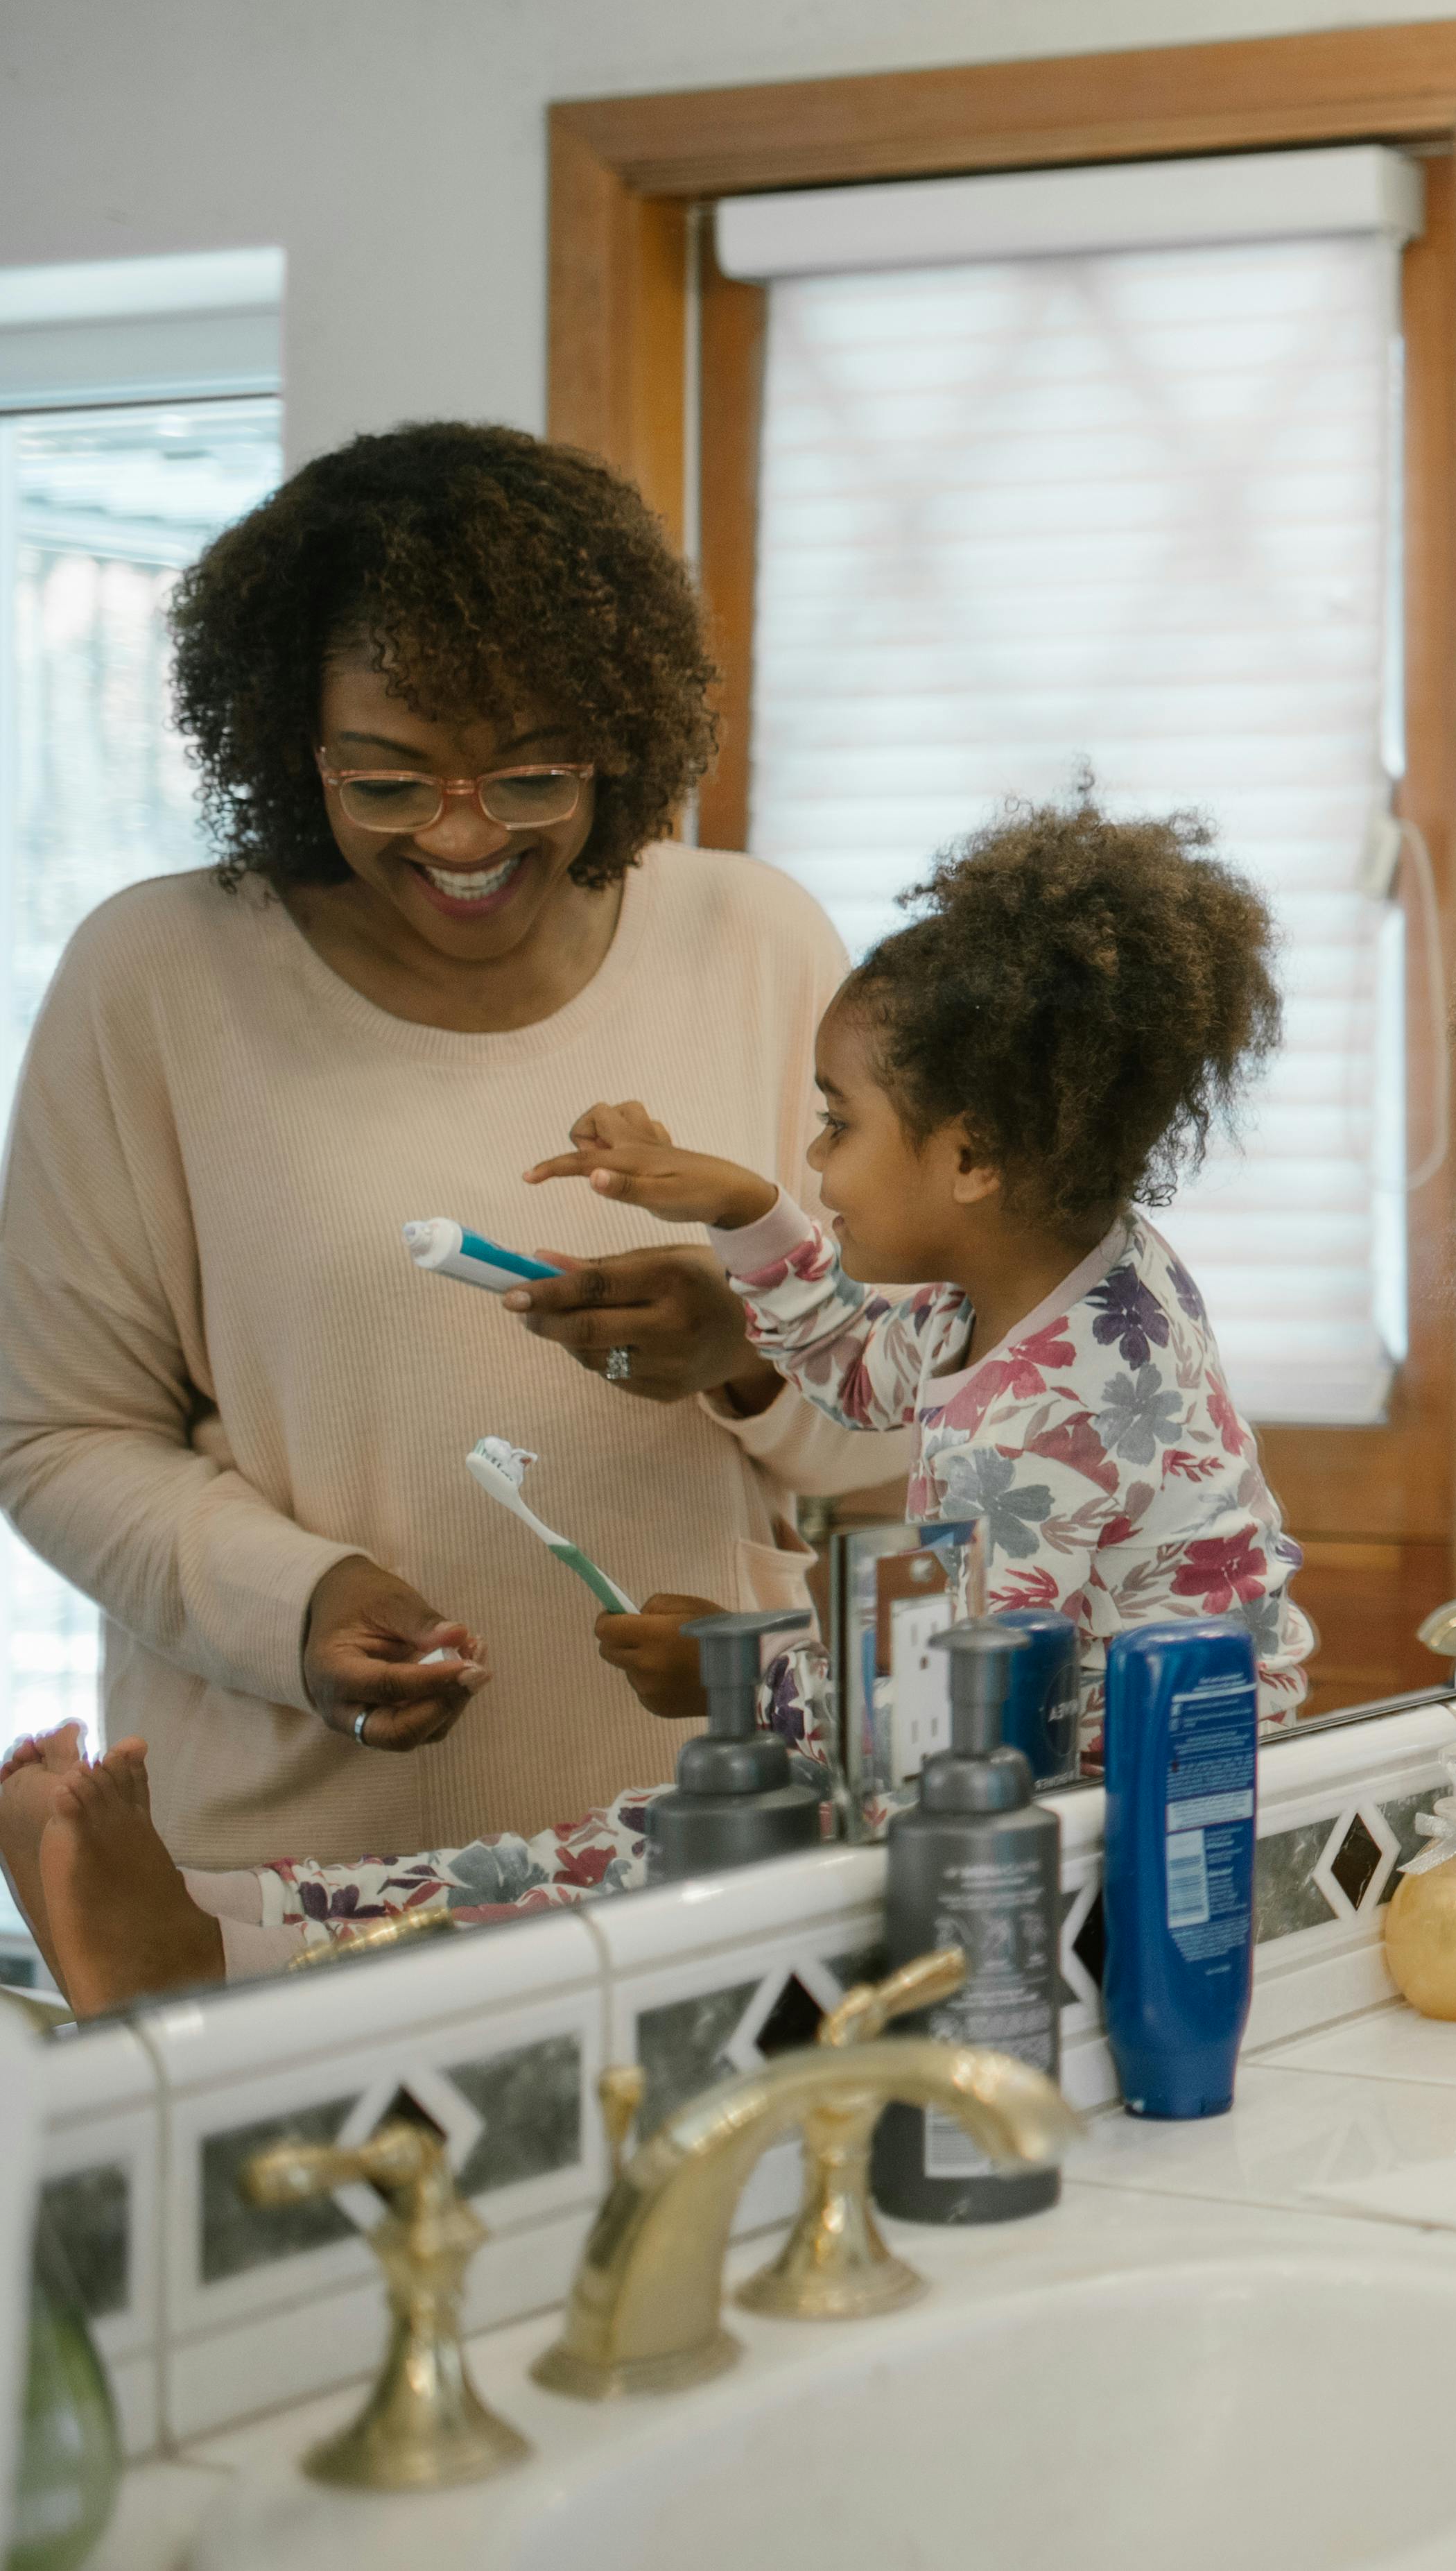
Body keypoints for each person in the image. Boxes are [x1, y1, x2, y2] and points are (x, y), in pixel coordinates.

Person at [0, 796, 1317, 2010]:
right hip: (1071, 1779)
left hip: (1093, 1837)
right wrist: (744, 1211)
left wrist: (738, 1674)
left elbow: (956, 1716)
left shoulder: (1040, 1428)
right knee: (632, 1843)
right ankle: (225, 1917)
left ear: (970, 1155)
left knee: (644, 1856)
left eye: (835, 1126)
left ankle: (236, 1947)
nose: (815, 1159)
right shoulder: (1084, 1281)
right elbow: (864, 1367)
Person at [0, 422, 902, 1889]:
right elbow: (54, 1434)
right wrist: (292, 1605)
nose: (466, 838)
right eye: (393, 782)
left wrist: (743, 1354)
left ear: (618, 734)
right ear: (295, 746)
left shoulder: (757, 943)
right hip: (295, 1879)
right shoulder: (156, 978)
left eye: (532, 777)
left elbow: (898, 1430)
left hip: (711, 1842)